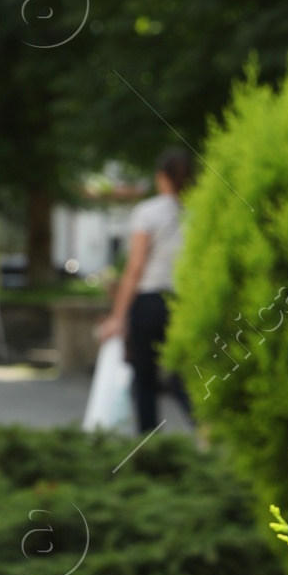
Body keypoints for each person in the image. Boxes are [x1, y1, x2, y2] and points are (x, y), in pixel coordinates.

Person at [97, 149, 194, 434]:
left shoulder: (147, 212)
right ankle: (204, 433)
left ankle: (149, 442)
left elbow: (136, 268)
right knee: (182, 375)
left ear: (161, 177)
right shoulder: (196, 213)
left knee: (145, 376)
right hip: (181, 302)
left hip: (149, 302)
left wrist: (117, 316)